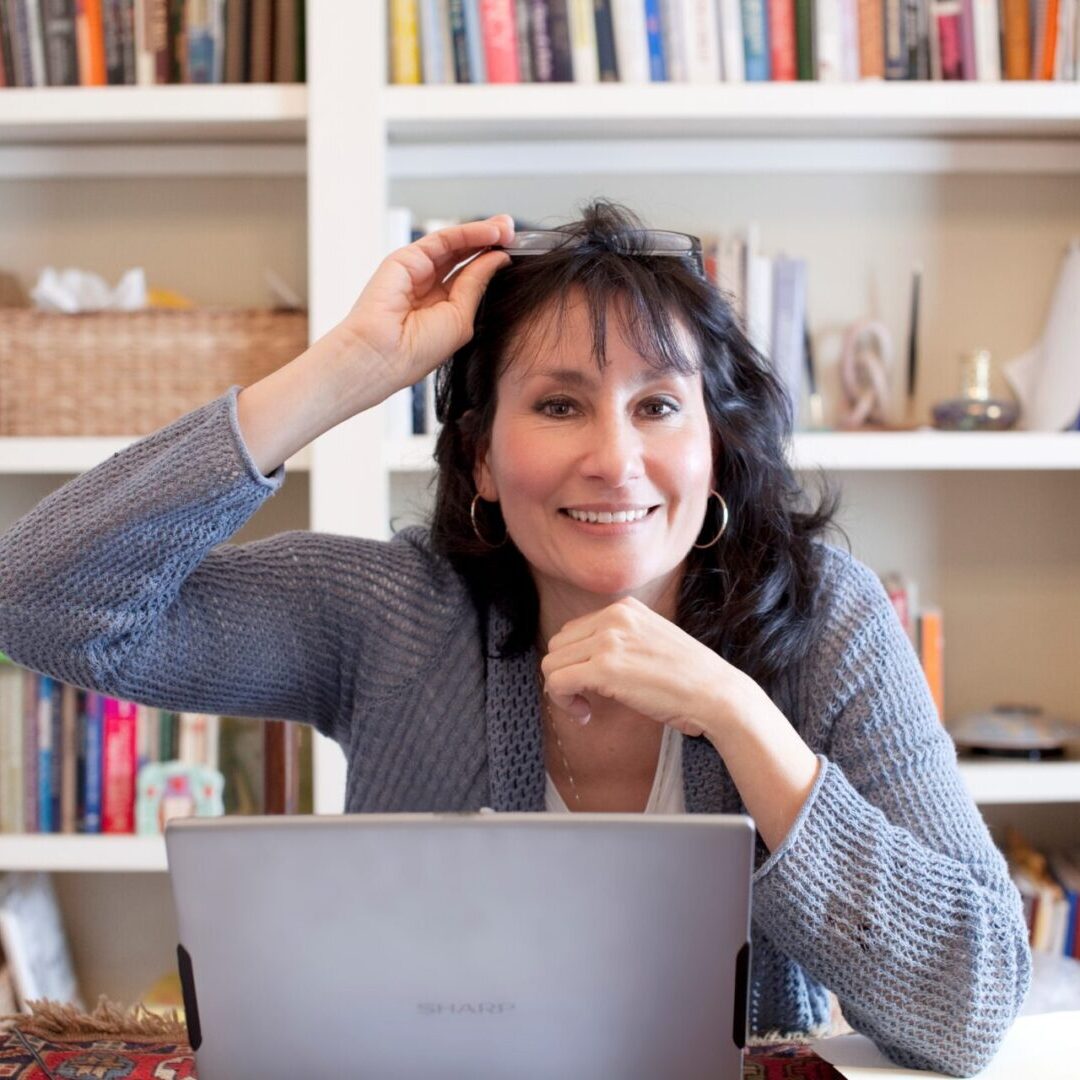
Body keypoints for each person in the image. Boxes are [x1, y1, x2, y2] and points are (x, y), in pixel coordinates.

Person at [0, 200, 1028, 1075]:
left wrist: (740, 716)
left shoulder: (823, 619)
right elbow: (40, 601)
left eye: (659, 405)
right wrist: (342, 370)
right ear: (482, 457)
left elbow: (971, 1007)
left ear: (714, 448)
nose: (616, 460)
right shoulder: (390, 611)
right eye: (558, 405)